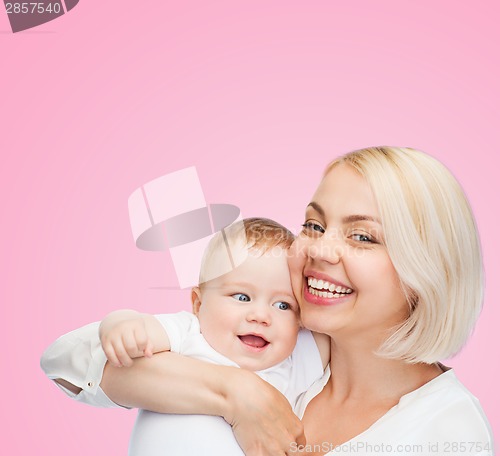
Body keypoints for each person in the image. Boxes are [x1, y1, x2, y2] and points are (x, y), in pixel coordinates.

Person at [41, 147, 494, 456]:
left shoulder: (450, 433)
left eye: (362, 236)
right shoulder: (277, 343)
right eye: (314, 226)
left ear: (427, 269)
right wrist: (237, 394)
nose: (319, 250)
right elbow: (69, 363)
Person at [41, 217, 329, 455]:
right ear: (198, 303)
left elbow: (345, 333)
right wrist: (119, 322)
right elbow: (136, 330)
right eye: (242, 297)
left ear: (300, 322)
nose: (261, 316)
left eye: (283, 305)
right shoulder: (189, 333)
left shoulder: (290, 363)